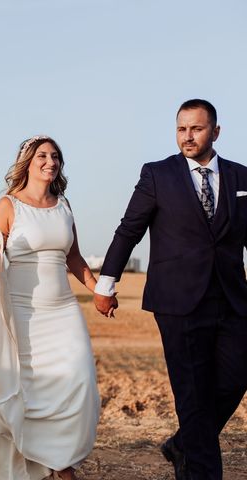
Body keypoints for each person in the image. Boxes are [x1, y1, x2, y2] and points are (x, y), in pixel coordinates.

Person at [94, 99, 247, 480]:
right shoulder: (157, 175)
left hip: (232, 297)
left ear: (215, 131)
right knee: (192, 393)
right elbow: (129, 229)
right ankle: (200, 470)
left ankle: (184, 443)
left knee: (238, 374)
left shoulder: (242, 178)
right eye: (181, 129)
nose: (187, 136)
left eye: (196, 129)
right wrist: (106, 283)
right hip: (178, 301)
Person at [0, 135, 100, 480]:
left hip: (63, 312)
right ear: (27, 162)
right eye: (42, 155)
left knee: (81, 382)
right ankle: (59, 468)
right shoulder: (8, 205)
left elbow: (73, 257)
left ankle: (61, 458)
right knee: (26, 394)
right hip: (22, 315)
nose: (50, 161)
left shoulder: (64, 205)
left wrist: (98, 289)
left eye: (55, 156)